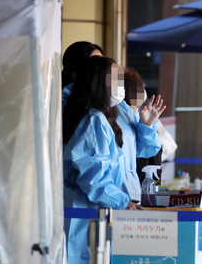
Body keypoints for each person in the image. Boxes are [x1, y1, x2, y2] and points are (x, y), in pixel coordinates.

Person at [62, 56, 164, 264]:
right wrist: (121, 201)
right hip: (89, 218)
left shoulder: (111, 116)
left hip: (107, 213)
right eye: (116, 80)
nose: (122, 87)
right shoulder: (93, 120)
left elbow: (138, 153)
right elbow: (93, 176)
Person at [62, 43, 163, 203]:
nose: (120, 84)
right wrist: (120, 201)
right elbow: (92, 176)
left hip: (122, 198)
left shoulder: (122, 109)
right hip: (97, 205)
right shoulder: (88, 116)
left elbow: (142, 151)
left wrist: (147, 126)